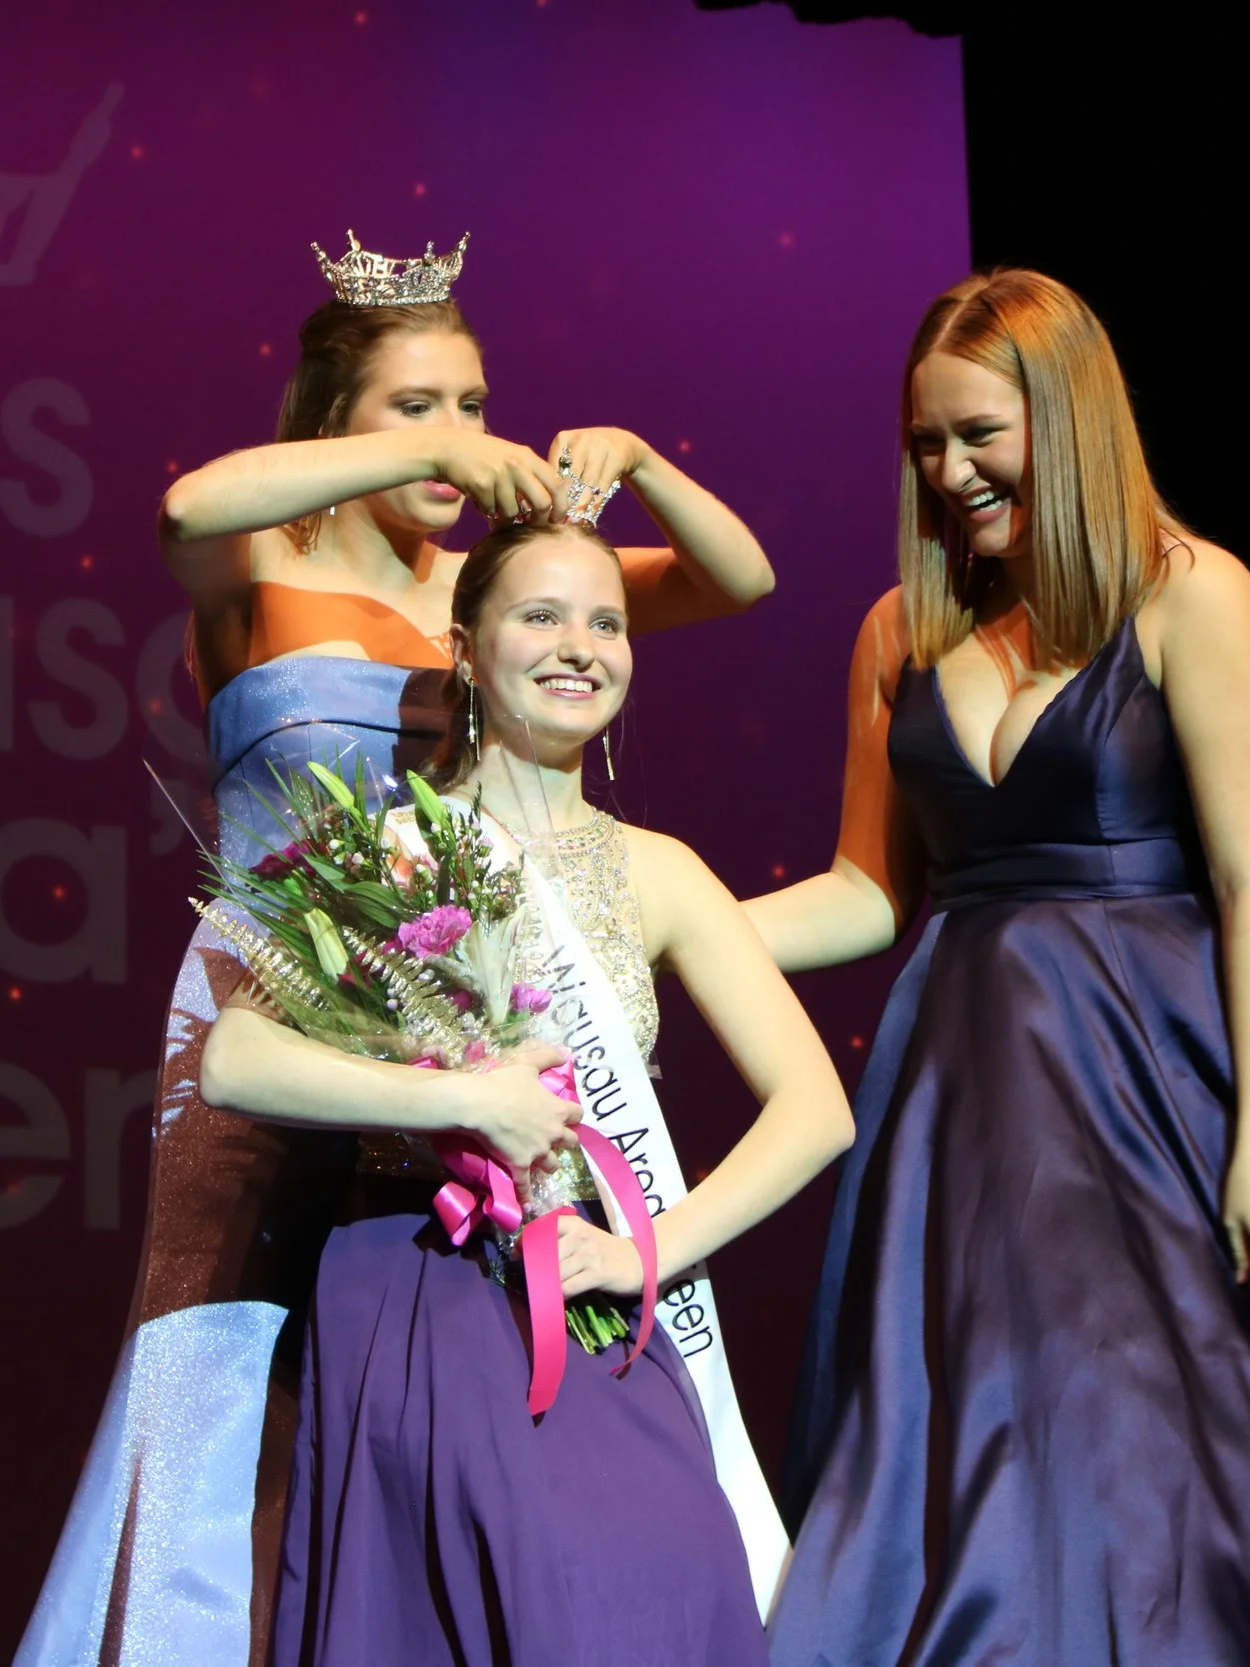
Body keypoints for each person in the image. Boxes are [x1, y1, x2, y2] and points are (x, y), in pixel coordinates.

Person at [16, 231, 775, 1667]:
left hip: (449, 1019)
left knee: (412, 1371)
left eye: (474, 402)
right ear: (338, 420)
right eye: (414, 402)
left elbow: (736, 579)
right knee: (218, 1368)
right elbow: (183, 502)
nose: (459, 433)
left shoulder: (484, 591)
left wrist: (637, 460)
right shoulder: (261, 558)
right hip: (274, 1006)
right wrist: (409, 458)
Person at [198, 517, 854, 1667]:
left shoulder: (661, 870)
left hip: (591, 1290)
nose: (579, 645)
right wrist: (463, 1102)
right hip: (419, 1283)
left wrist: (648, 1249)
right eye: (540, 615)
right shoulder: (391, 845)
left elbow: (815, 1109)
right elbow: (234, 1060)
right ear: (463, 647)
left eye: (606, 621)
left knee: (661, 1588)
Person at [754, 269, 1250, 1666]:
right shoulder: (899, 633)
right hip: (959, 1104)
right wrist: (646, 923)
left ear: (1067, 420)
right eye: (925, 442)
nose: (948, 471)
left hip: (1141, 1082)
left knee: (1143, 1439)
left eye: (978, 434)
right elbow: (865, 894)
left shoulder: (1189, 595)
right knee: (957, 1444)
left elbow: (1243, 877)